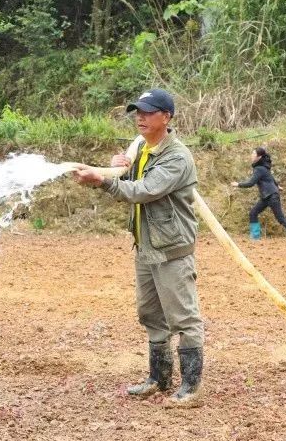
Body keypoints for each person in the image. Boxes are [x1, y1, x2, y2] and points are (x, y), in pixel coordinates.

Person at [70, 89, 205, 408]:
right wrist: (119, 168)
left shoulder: (177, 157)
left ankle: (192, 387)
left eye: (147, 111)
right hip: (146, 244)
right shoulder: (144, 149)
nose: (139, 117)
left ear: (166, 117)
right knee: (150, 314)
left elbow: (145, 190)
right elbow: (134, 179)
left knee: (183, 318)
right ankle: (159, 378)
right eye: (137, 112)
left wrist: (103, 180)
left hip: (171, 248)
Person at [230, 147, 286, 241]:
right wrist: (277, 185)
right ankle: (255, 238)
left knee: (280, 219)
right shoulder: (263, 167)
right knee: (253, 213)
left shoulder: (259, 169)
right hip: (266, 196)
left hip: (272, 196)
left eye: (253, 154)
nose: (251, 155)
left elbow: (251, 183)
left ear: (259, 156)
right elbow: (270, 177)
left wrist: (238, 184)